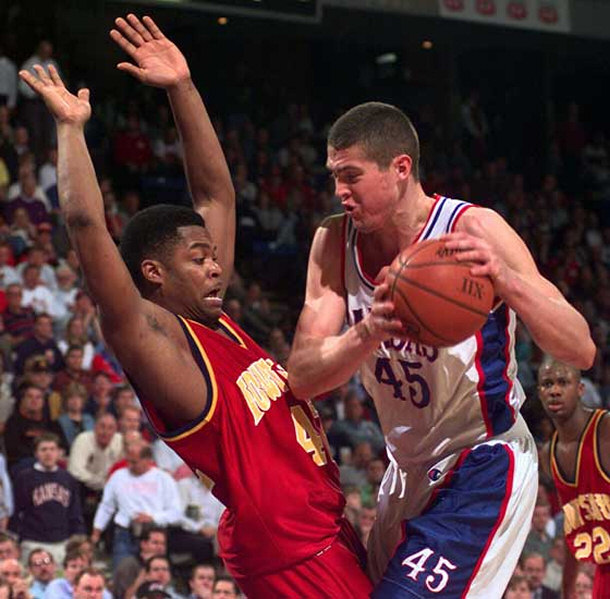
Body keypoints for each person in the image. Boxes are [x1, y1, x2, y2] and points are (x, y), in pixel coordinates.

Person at [19, 14, 371, 598]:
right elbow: (86, 226)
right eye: (199, 258)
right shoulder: (159, 344)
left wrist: (182, 87)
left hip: (323, 531)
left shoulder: (218, 318)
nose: (216, 266)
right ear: (154, 274)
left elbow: (215, 194)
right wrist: (72, 129)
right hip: (293, 558)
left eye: (213, 256)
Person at [285, 101, 596, 597]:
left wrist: (506, 281)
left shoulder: (473, 230)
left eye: (352, 176)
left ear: (400, 168)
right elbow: (301, 376)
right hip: (405, 470)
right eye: (334, 177)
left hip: (483, 458)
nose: (339, 192)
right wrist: (368, 331)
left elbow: (580, 348)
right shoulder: (333, 240)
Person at [538, 357, 610, 599]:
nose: (555, 391)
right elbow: (576, 525)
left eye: (563, 382)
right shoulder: (549, 454)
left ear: (580, 389)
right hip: (603, 572)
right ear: (539, 393)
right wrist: (567, 591)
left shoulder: (605, 430)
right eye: (547, 384)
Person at [11, 433, 85, 564]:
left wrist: (78, 536)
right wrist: (15, 538)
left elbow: (75, 510)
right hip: (33, 542)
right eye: (43, 449)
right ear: (36, 453)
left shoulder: (68, 478)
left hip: (61, 542)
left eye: (52, 449)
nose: (48, 453)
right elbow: (17, 510)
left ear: (59, 453)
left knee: (59, 579)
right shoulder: (24, 478)